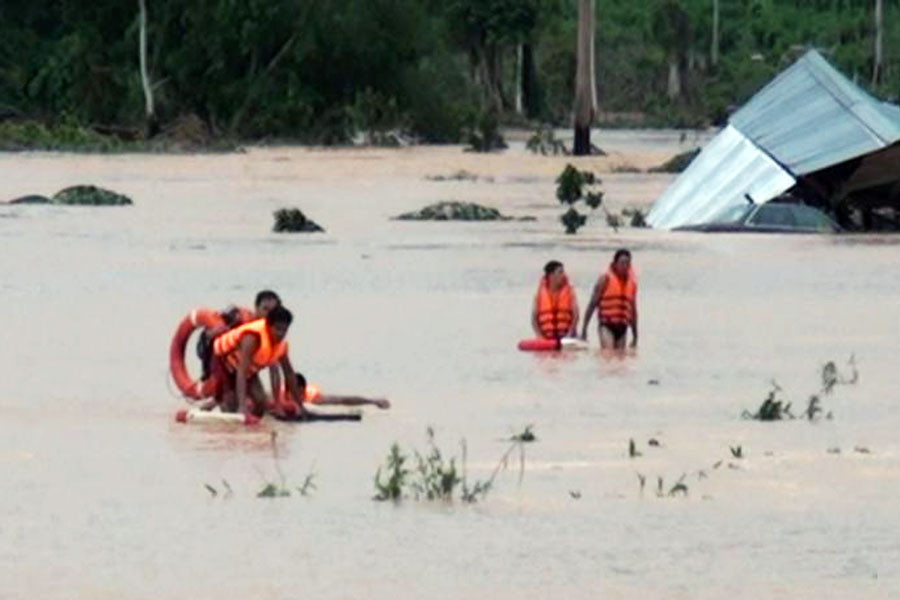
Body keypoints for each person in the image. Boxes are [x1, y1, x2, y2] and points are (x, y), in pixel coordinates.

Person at [209, 305, 307, 417]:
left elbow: (289, 374)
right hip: (223, 363)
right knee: (231, 405)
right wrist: (242, 406)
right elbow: (242, 371)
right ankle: (214, 404)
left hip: (247, 371)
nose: (281, 334)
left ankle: (252, 428)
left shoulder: (281, 346)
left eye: (284, 330)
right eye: (278, 329)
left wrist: (300, 406)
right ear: (268, 326)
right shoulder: (252, 337)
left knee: (260, 402)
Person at [581, 249, 638, 350]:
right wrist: (585, 327)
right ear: (615, 264)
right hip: (606, 325)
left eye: (627, 263)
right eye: (622, 263)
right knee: (608, 356)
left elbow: (633, 311)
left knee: (620, 361)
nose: (625, 266)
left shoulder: (632, 283)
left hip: (622, 328)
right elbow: (592, 303)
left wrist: (635, 335)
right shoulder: (605, 279)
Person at [531, 260, 579, 340]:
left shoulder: (570, 292)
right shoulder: (539, 295)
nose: (563, 275)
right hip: (547, 338)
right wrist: (539, 335)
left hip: (567, 336)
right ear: (551, 275)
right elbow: (534, 319)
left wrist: (569, 333)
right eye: (560, 272)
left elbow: (576, 316)